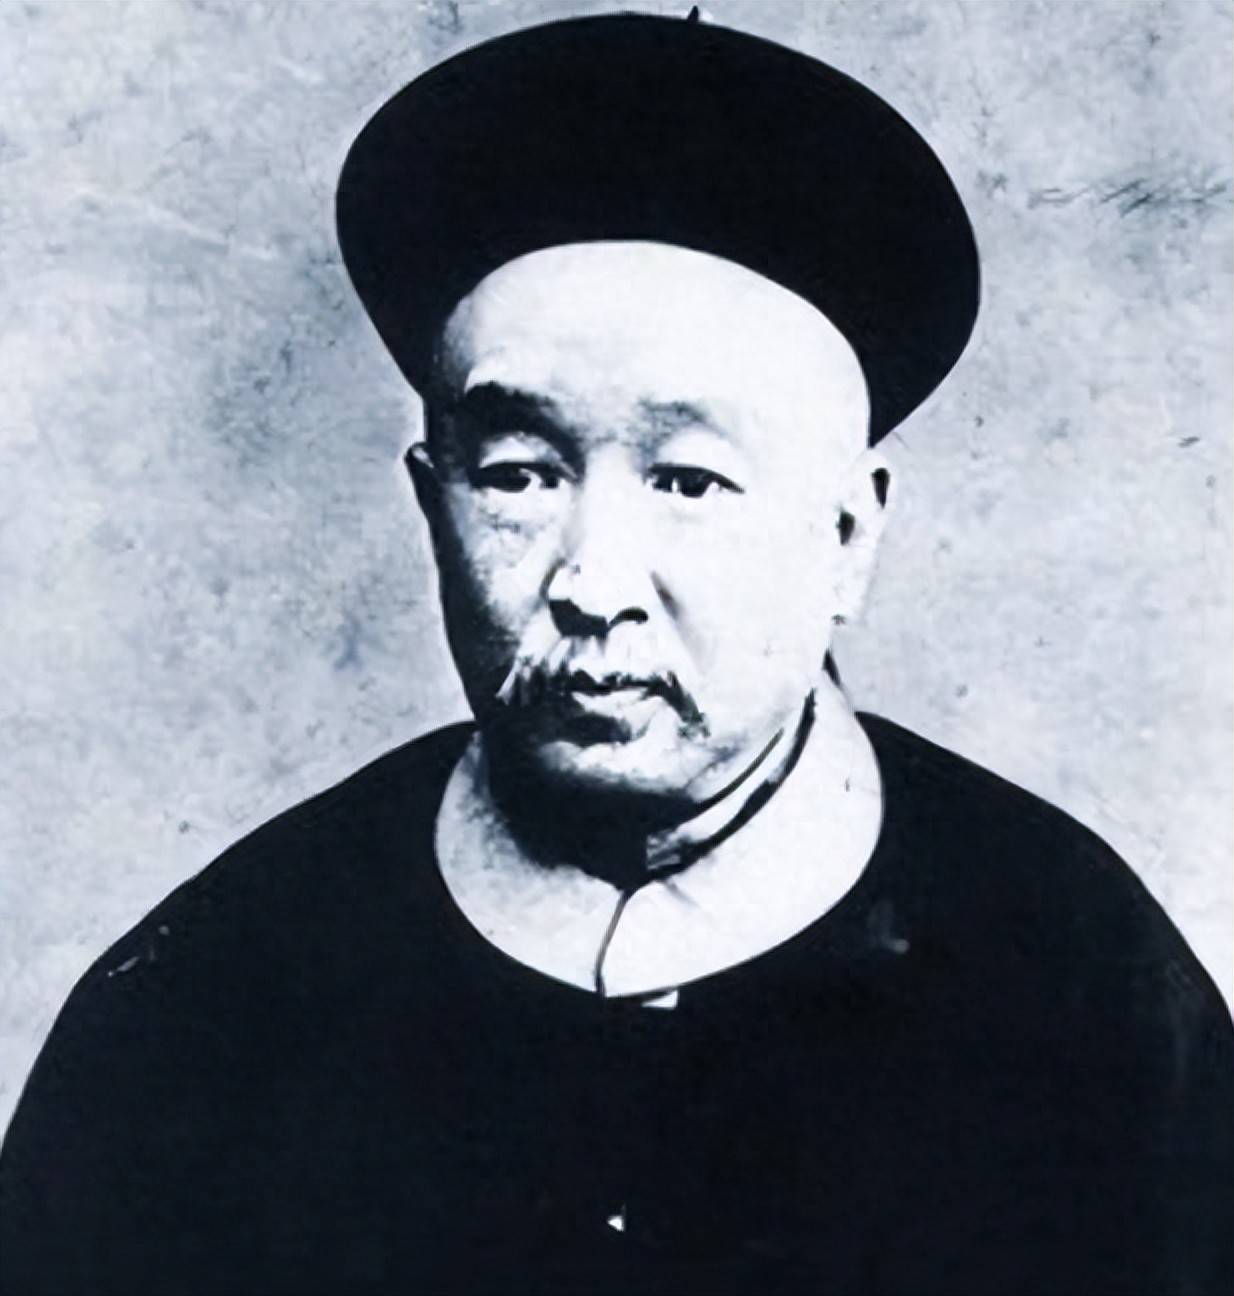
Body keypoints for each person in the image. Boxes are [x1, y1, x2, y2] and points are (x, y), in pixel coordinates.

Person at [1, 12, 1230, 1296]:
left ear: (846, 537)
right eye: (517, 476)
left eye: (688, 481)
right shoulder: (212, 995)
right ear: (431, 503)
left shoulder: (1081, 990)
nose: (590, 584)